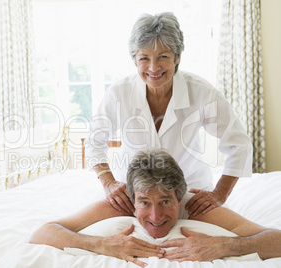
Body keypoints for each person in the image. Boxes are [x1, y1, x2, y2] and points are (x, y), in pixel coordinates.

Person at [84, 12, 252, 216]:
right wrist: (109, 182)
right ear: (135, 60)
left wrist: (219, 194)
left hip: (190, 194)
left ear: (177, 57)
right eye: (144, 58)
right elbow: (94, 140)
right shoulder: (119, 93)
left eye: (163, 57)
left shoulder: (202, 92)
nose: (153, 68)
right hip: (132, 197)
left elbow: (239, 144)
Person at [30, 149, 281, 267]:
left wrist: (225, 245)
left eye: (165, 202)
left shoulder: (197, 206)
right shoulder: (120, 204)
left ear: (180, 198)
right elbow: (42, 234)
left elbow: (276, 240)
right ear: (132, 198)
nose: (155, 216)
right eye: (145, 203)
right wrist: (100, 245)